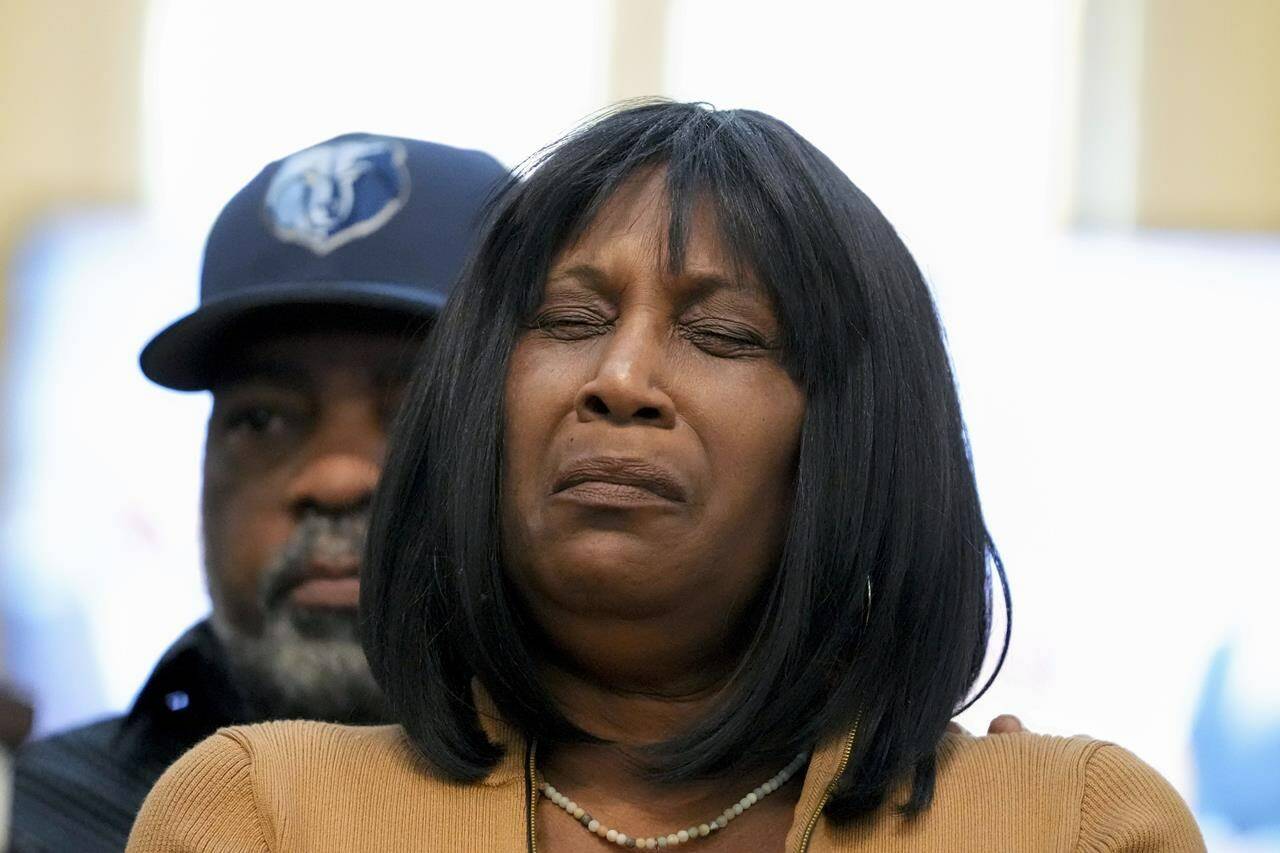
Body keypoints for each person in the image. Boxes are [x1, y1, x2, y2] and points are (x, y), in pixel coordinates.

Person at [129, 102, 1200, 852]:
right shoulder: (257, 812)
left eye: (723, 333)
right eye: (570, 320)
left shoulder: (1072, 826)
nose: (621, 377)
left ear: (856, 440)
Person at [11, 133, 511, 852]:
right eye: (263, 418)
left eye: (413, 416)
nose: (334, 479)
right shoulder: (36, 817)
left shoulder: (646, 819)